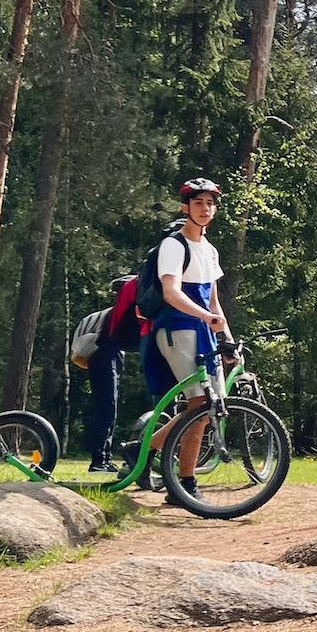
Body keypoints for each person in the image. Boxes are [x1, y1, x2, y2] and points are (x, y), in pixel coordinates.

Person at [145, 178, 233, 502]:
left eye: (210, 204)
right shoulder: (173, 245)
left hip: (204, 330)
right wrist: (205, 318)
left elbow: (214, 302)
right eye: (198, 203)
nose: (205, 209)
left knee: (208, 406)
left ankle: (146, 451)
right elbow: (171, 292)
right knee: (199, 404)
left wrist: (227, 341)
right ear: (186, 208)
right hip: (177, 329)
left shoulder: (210, 251)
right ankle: (184, 483)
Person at [85, 275, 143, 473]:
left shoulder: (117, 313)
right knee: (107, 408)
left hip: (107, 355)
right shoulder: (118, 314)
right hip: (104, 356)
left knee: (108, 408)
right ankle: (99, 460)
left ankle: (103, 458)